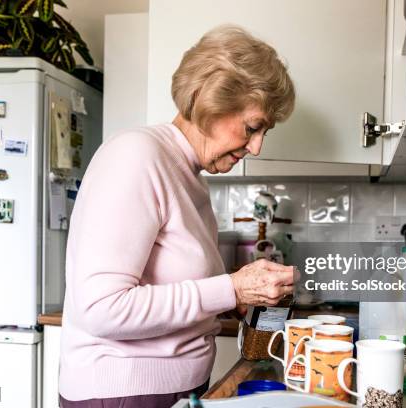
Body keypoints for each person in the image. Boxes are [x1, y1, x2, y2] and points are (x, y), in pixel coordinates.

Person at [59, 25, 296, 408]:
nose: (256, 146)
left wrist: (232, 299)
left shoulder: (190, 176)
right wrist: (230, 289)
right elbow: (100, 309)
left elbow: (173, 286)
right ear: (208, 100)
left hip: (174, 390)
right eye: (252, 128)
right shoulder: (136, 155)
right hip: (124, 395)